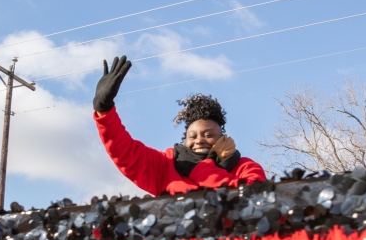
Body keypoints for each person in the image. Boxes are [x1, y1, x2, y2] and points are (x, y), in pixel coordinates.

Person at [92, 56, 266, 196]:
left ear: (222, 137)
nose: (199, 140)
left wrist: (200, 169)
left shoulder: (245, 167)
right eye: (193, 136)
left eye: (208, 135)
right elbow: (126, 152)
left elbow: (252, 201)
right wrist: (104, 110)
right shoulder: (166, 164)